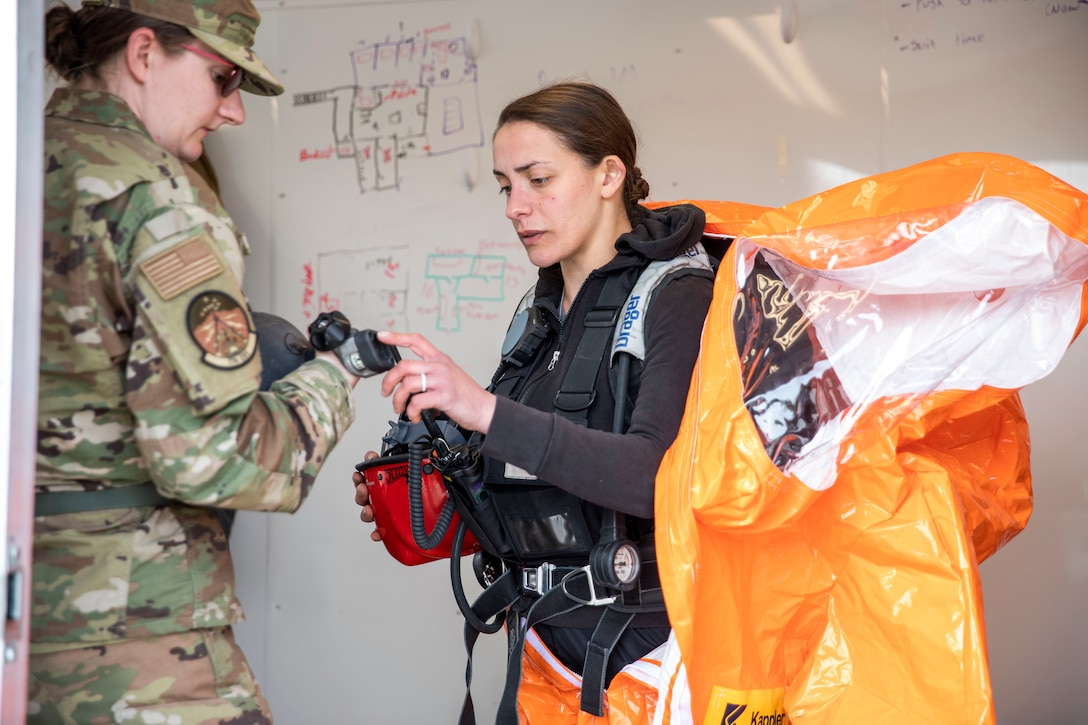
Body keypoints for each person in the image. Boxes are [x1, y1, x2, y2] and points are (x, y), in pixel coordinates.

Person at [32, 1, 364, 722]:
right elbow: (210, 458)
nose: (234, 112)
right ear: (144, 55)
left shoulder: (25, 161)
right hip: (137, 639)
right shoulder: (157, 201)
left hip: (29, 623)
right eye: (222, 79)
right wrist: (335, 380)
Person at [353, 82, 716, 723]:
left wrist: (484, 410)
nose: (516, 207)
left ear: (609, 175)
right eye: (505, 186)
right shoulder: (537, 312)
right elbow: (537, 483)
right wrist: (430, 494)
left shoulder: (678, 294)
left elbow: (656, 477)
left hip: (649, 664)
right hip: (542, 656)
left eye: (538, 179)